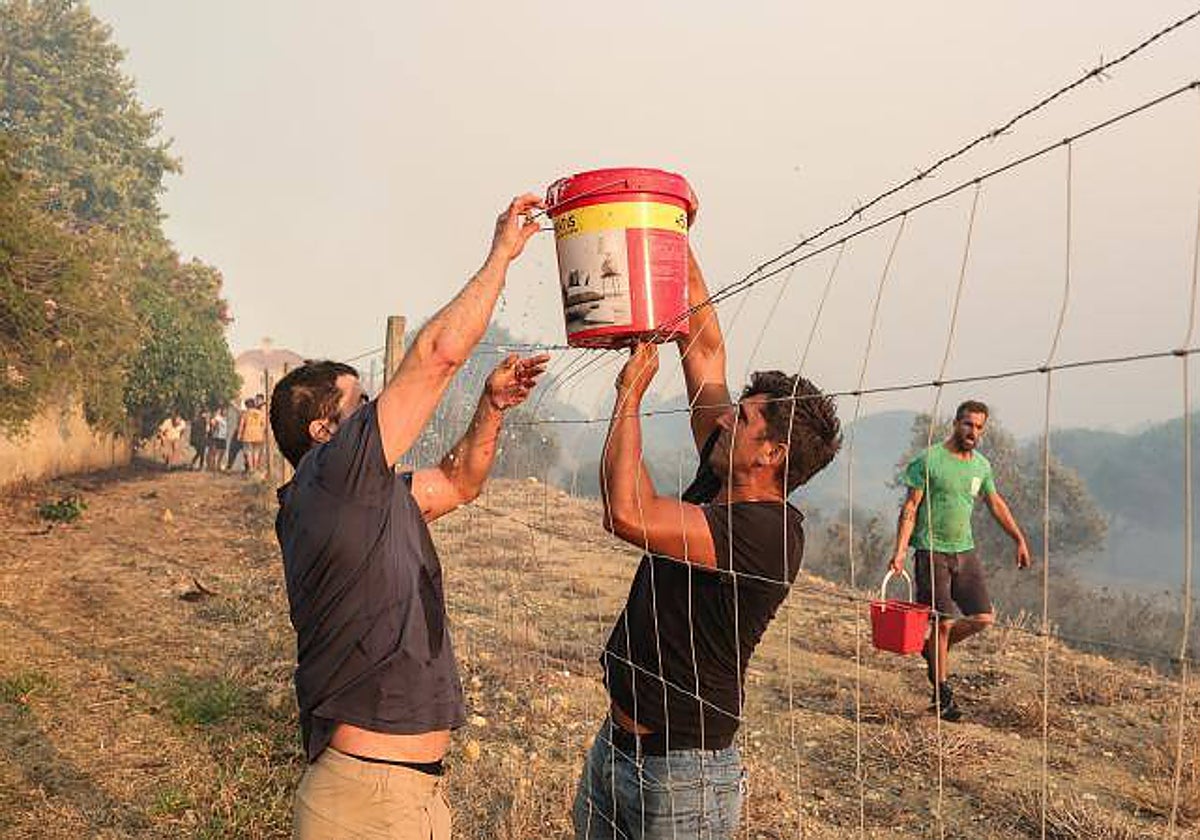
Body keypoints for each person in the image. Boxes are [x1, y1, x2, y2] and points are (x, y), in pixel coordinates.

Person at [271, 194, 546, 840]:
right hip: (367, 803)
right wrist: (501, 255)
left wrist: (493, 406)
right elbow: (436, 356)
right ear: (321, 431)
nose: (374, 413)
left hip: (409, 798)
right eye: (358, 404)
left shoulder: (360, 496)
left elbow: (457, 482)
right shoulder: (332, 478)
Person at [572, 246, 842, 840]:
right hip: (617, 747)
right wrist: (672, 236)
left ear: (773, 453)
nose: (724, 420)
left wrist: (629, 396)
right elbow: (703, 348)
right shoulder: (722, 473)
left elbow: (627, 513)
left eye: (742, 419)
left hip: (683, 772)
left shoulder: (767, 533)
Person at [888, 400, 1031, 721]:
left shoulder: (981, 466)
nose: (973, 432)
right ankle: (942, 694)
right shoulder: (929, 460)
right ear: (955, 423)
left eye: (979, 427)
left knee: (983, 617)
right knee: (943, 622)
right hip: (931, 550)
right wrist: (899, 551)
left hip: (964, 551)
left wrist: (1018, 538)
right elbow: (910, 508)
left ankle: (932, 650)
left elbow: (995, 503)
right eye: (968, 424)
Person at [237, 395, 267, 473]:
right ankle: (255, 468)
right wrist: (262, 433)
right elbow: (263, 424)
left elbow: (241, 425)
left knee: (248, 452)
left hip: (247, 435)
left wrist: (239, 435)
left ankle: (251, 469)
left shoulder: (245, 414)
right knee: (256, 452)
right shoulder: (260, 413)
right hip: (258, 435)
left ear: (247, 405)